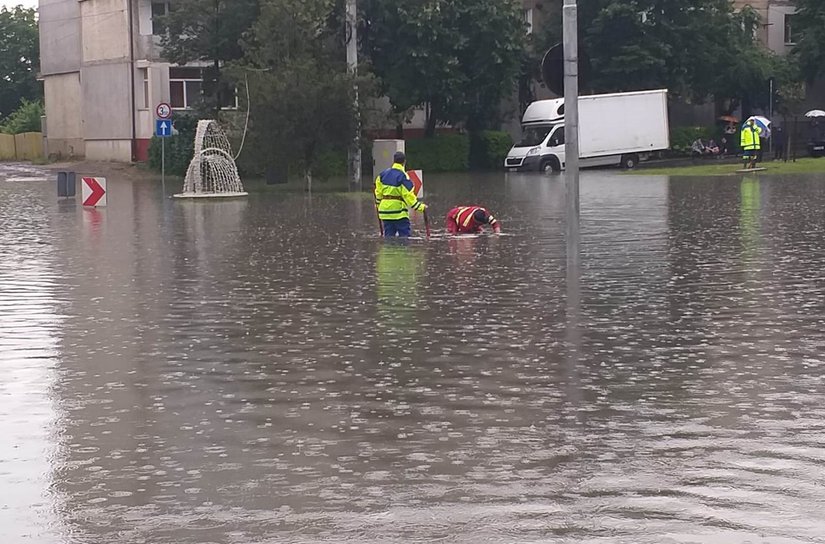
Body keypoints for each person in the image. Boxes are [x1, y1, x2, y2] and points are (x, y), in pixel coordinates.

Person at [374, 151, 427, 237]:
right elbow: (408, 195)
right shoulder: (403, 176)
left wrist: (377, 204)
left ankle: (388, 250)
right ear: (404, 162)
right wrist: (420, 207)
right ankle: (402, 250)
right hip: (398, 212)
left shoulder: (382, 175)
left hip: (385, 212)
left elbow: (378, 193)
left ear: (393, 161)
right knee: (404, 238)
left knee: (389, 238)